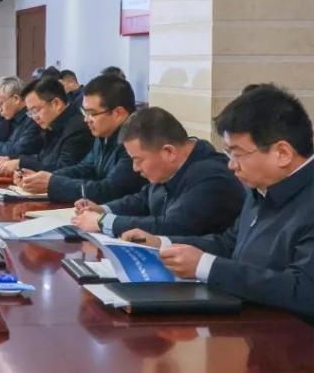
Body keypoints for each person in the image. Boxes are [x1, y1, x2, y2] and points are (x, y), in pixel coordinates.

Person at [122, 86, 314, 321]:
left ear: (282, 153)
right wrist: (161, 244)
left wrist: (207, 267)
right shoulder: (261, 189)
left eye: (238, 154)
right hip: (246, 322)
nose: (231, 165)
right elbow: (230, 244)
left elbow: (304, 291)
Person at [71, 107, 244, 237]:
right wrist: (103, 210)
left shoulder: (212, 177)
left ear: (169, 152)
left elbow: (172, 226)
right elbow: (144, 199)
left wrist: (103, 222)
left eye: (138, 160)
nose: (135, 168)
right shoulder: (171, 169)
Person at [18, 75, 146, 203]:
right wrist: (45, 178)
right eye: (85, 112)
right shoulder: (103, 134)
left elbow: (109, 190)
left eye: (92, 113)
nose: (86, 119)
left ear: (118, 113)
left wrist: (53, 183)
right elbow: (85, 168)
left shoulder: (136, 141)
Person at [0, 76, 92, 176]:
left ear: (56, 104)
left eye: (36, 110)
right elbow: (43, 159)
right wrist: (11, 159)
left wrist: (21, 163)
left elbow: (62, 170)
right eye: (30, 112)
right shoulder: (52, 122)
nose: (34, 117)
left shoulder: (78, 128)